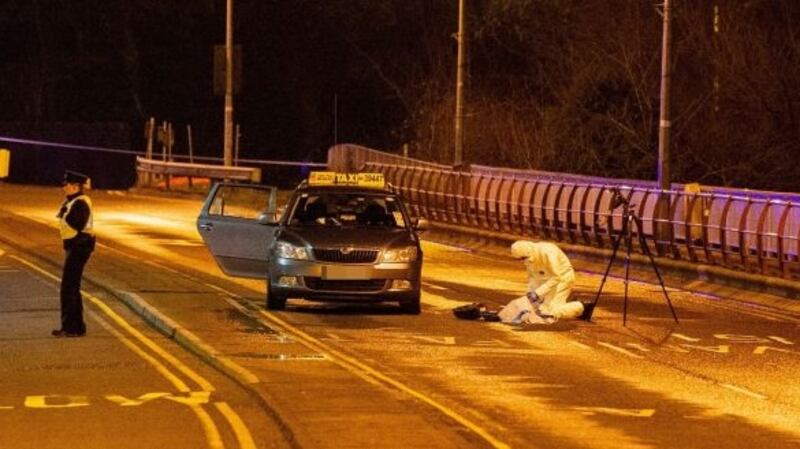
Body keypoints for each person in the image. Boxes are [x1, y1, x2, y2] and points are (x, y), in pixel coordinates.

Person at [497, 240, 584, 325]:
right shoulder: (530, 256)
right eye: (520, 259)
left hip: (562, 279)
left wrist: (538, 293)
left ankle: (580, 307)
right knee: (536, 309)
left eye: (523, 258)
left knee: (549, 313)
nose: (522, 261)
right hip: (547, 280)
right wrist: (530, 294)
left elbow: (556, 276)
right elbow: (533, 277)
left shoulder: (548, 253)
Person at [52, 170, 95, 338]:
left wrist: (65, 215)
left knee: (68, 288)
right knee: (72, 287)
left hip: (80, 246)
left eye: (67, 185)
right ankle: (77, 327)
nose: (64, 188)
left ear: (76, 186)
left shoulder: (81, 202)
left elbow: (77, 223)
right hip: (76, 246)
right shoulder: (74, 201)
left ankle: (70, 327)